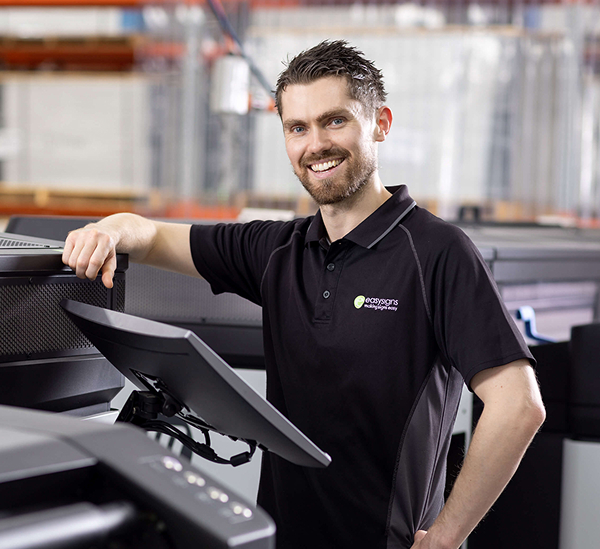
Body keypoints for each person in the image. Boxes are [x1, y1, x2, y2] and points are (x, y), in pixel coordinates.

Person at [62, 40, 545, 549]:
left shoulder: (437, 253)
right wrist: (108, 231)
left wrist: (446, 537)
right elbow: (153, 235)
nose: (315, 144)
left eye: (334, 120)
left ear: (380, 123)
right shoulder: (279, 248)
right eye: (297, 127)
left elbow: (518, 406)